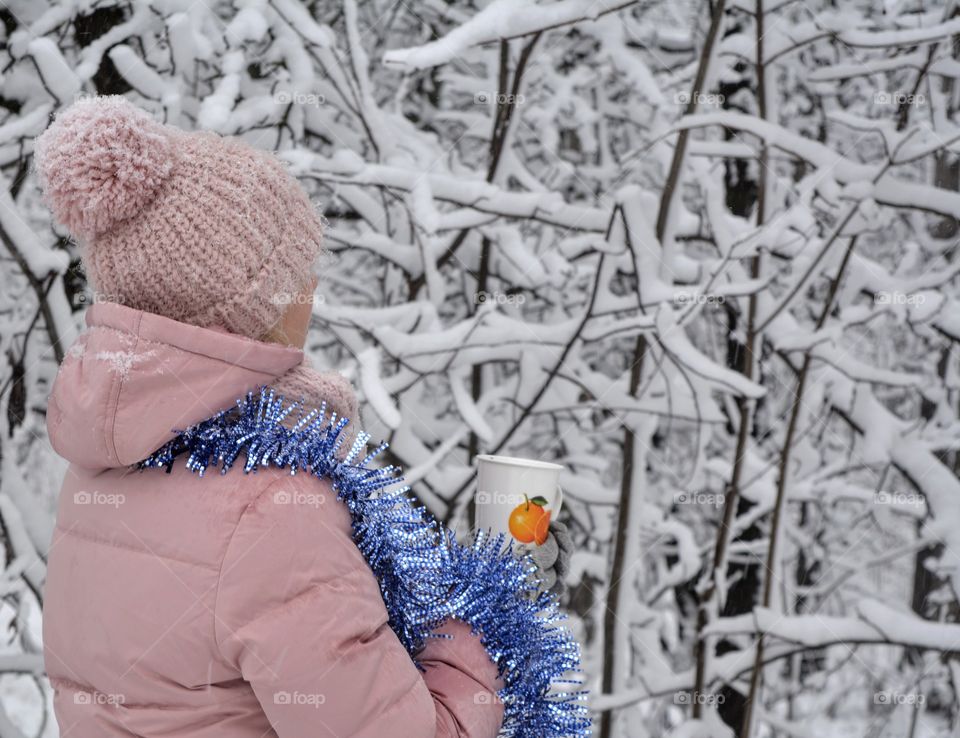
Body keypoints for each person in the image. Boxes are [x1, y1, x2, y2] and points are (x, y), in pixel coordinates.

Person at [36, 96, 520, 737]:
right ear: (239, 308)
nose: (313, 289)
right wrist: (490, 620)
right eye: (296, 271)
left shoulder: (104, 464)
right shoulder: (268, 509)